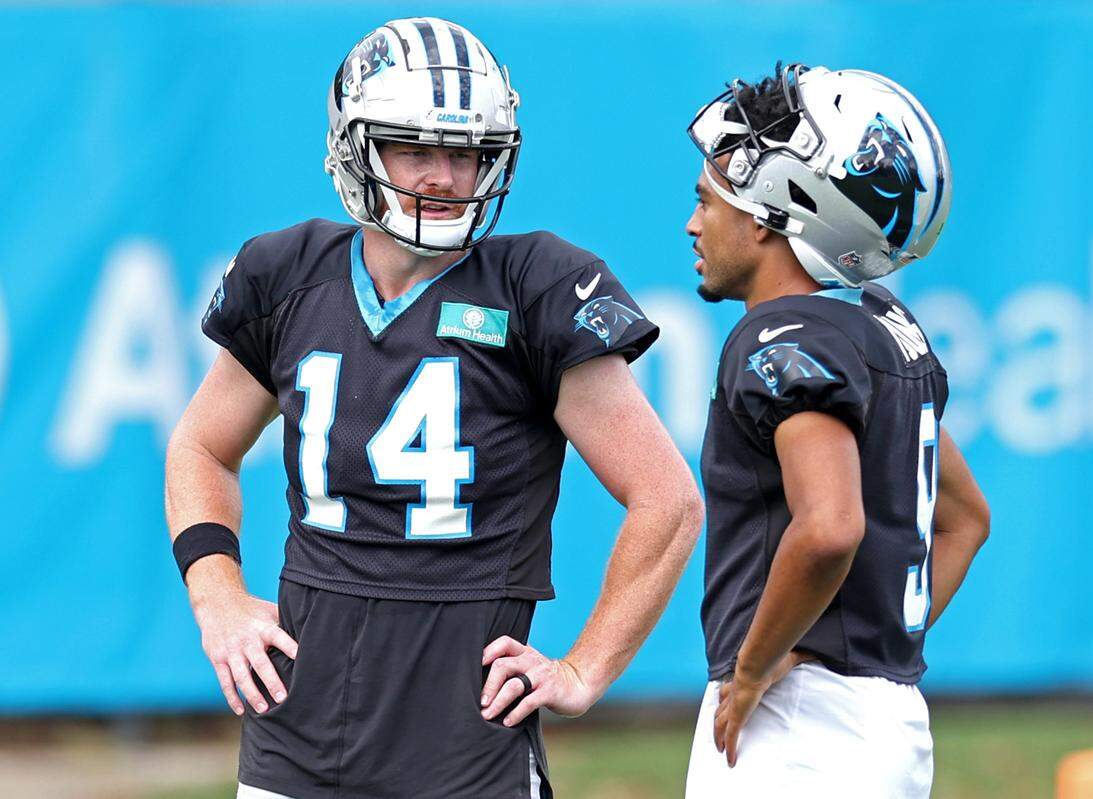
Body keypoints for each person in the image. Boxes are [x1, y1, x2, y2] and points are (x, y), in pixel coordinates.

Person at [165, 17, 702, 799]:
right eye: (415, 148)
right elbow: (201, 448)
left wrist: (585, 666)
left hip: (463, 741)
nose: (444, 177)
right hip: (294, 730)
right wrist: (215, 592)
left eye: (465, 153)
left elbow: (668, 500)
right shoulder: (285, 274)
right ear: (354, 146)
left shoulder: (536, 287)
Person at [682, 63, 990, 798]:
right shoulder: (886, 328)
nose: (695, 224)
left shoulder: (781, 337)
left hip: (800, 729)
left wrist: (760, 661)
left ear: (766, 213)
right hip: (888, 720)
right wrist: (868, 641)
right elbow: (966, 521)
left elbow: (828, 527)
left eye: (708, 201)